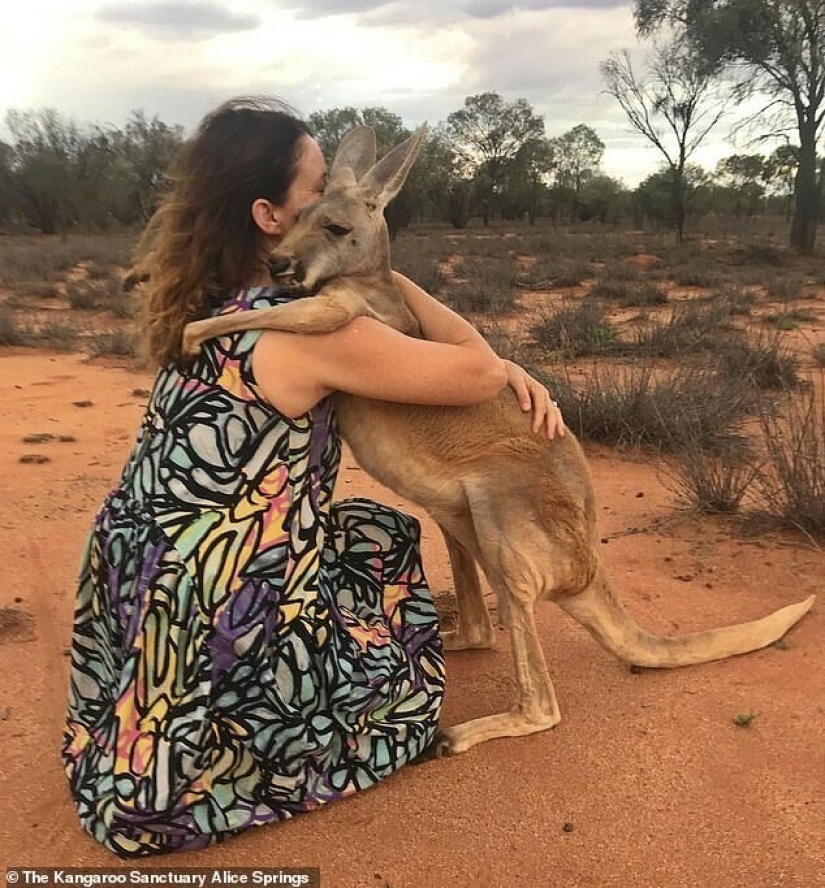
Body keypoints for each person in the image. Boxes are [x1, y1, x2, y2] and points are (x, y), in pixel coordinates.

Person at [62, 96, 565, 858]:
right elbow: (476, 372)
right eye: (321, 184)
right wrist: (373, 258)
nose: (340, 196)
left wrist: (361, 254)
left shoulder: (210, 300)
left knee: (377, 533)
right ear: (270, 216)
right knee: (384, 696)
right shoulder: (313, 332)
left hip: (140, 565)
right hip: (222, 589)